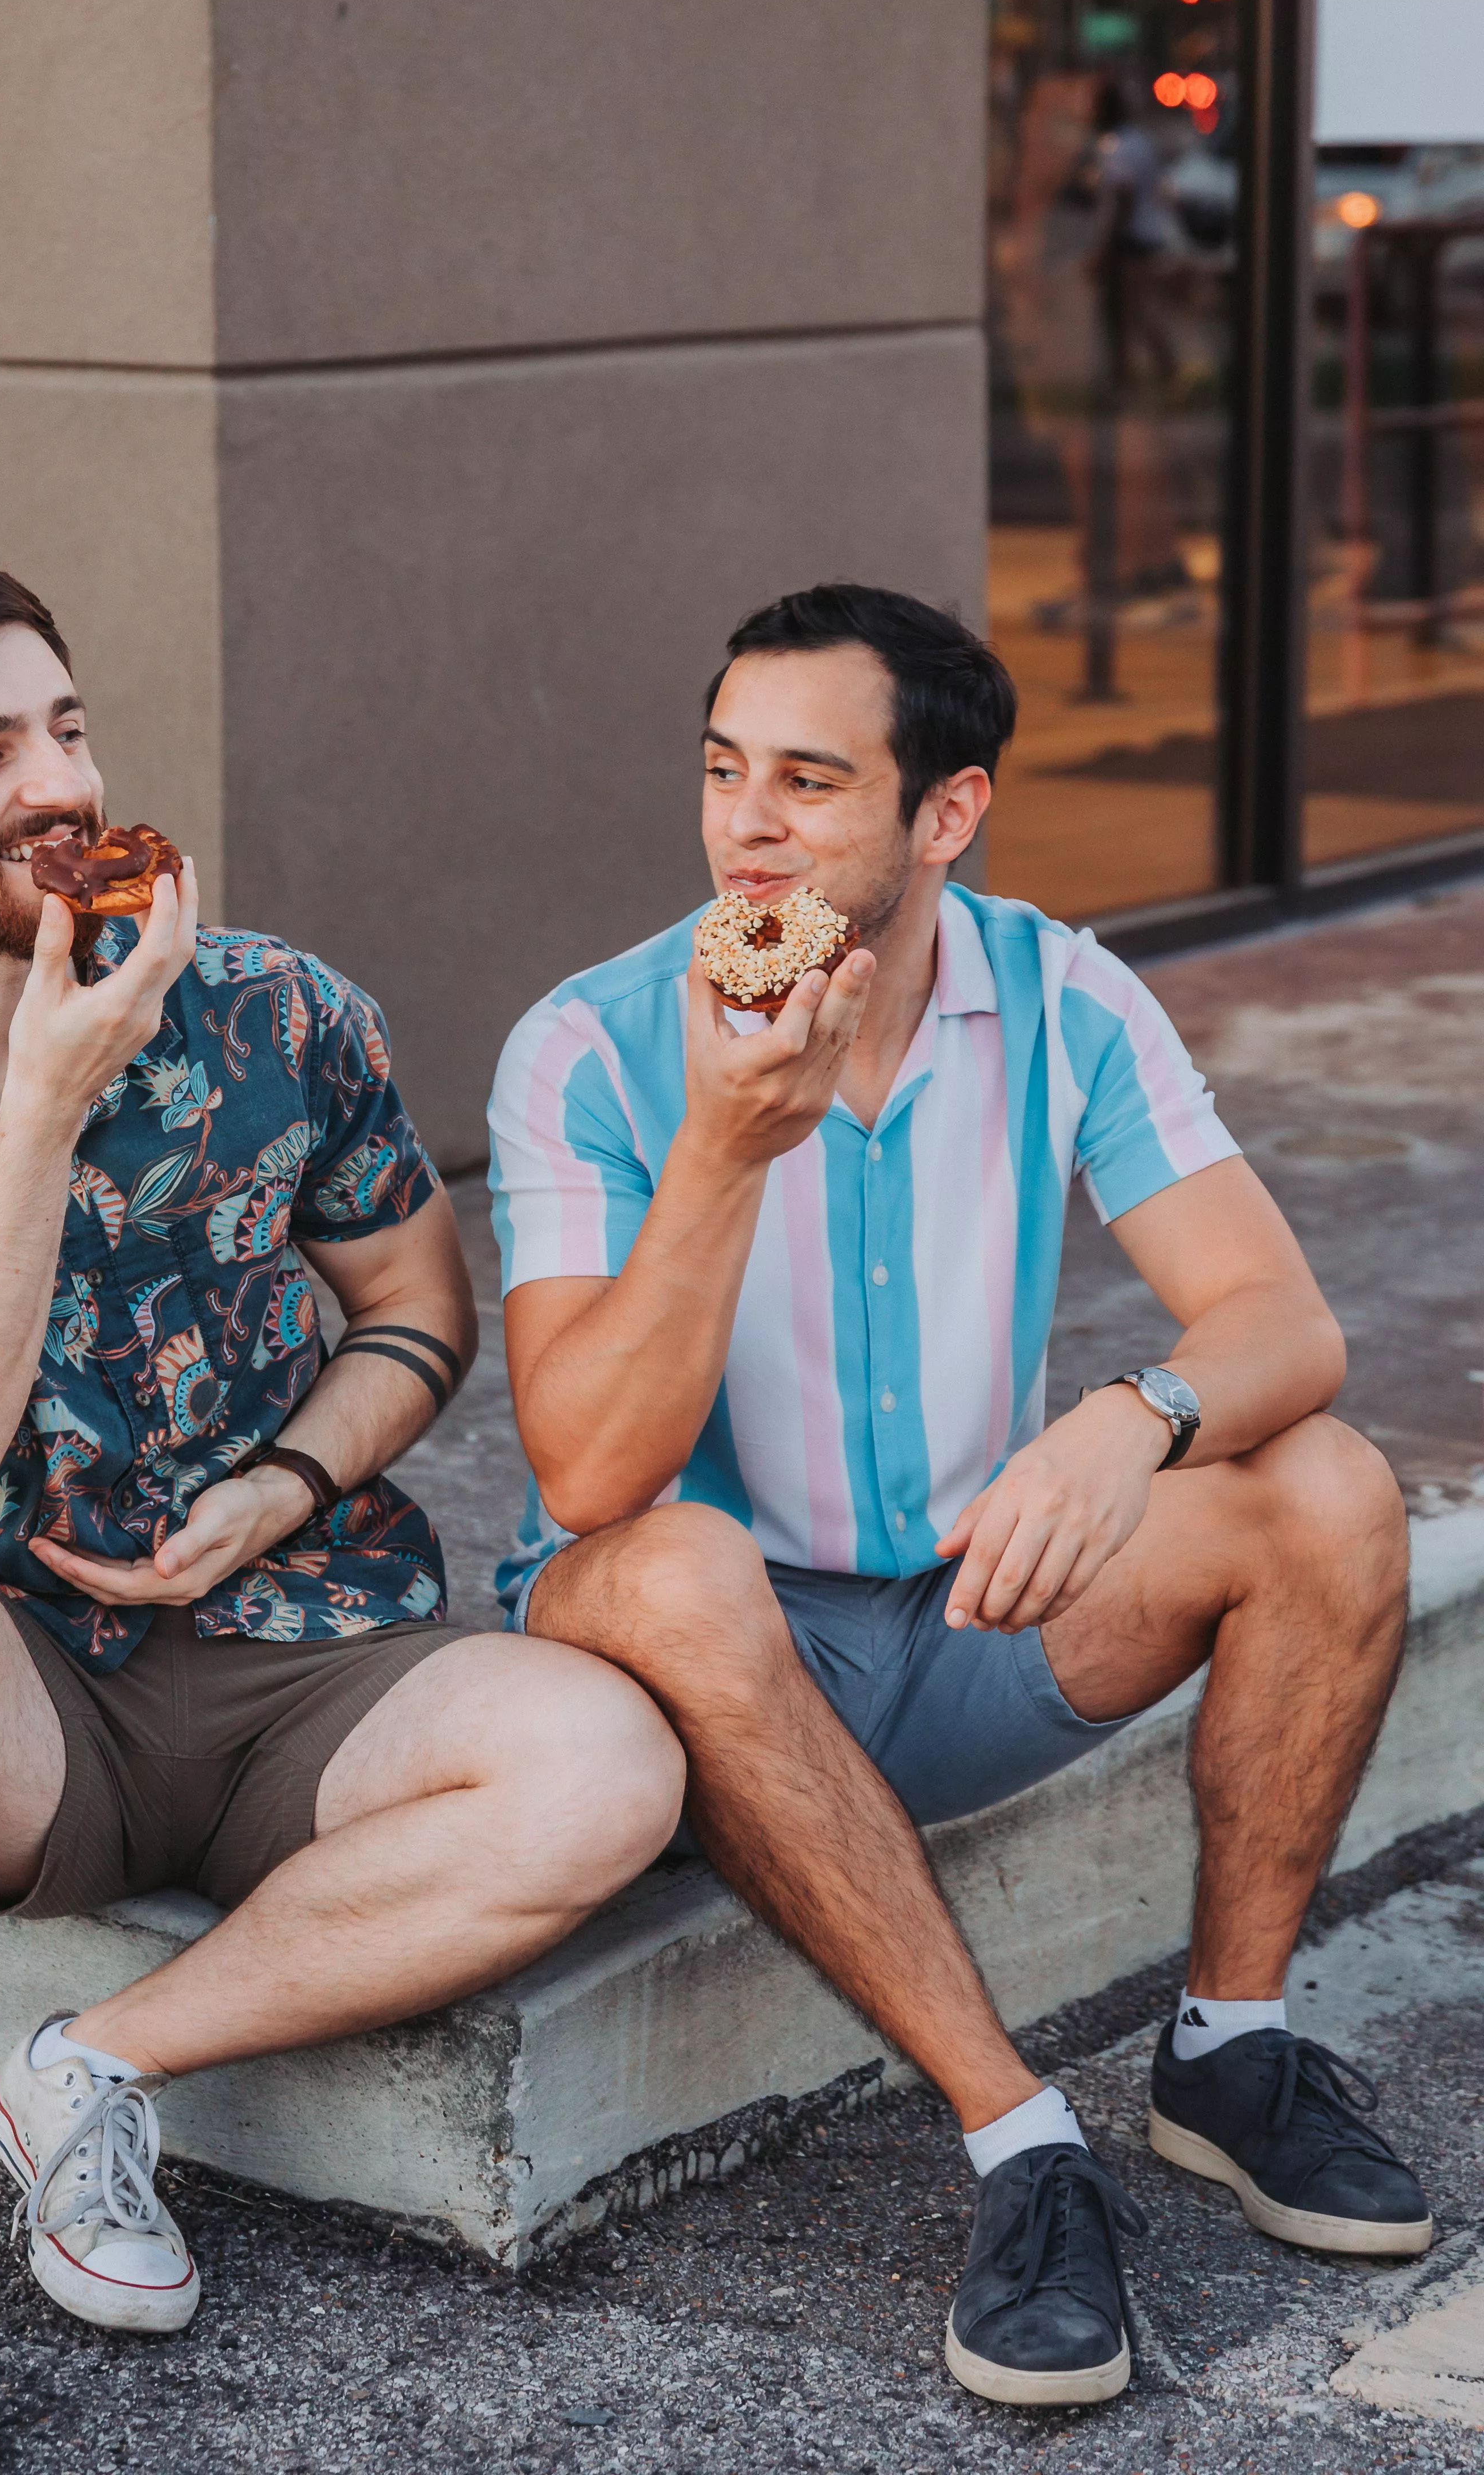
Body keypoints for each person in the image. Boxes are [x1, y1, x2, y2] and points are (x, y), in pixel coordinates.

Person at [0, 552, 683, 2470]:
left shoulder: (280, 1012)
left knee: (607, 1761)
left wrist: (286, 1484)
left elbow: (417, 1306)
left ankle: (92, 2065)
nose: (62, 786)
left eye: (70, 726)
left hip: (315, 1662)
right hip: (25, 1700)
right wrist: (46, 1100)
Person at [487, 581, 1427, 2413]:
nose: (746, 824)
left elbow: (1282, 1324)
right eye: (723, 770)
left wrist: (1126, 1421)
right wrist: (722, 1144)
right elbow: (584, 1475)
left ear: (947, 813)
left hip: (967, 1614)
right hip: (682, 1672)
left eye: (810, 783)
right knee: (673, 1560)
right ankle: (1022, 2148)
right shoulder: (592, 1045)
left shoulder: (1062, 993)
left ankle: (1229, 2055)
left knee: (1322, 1483)